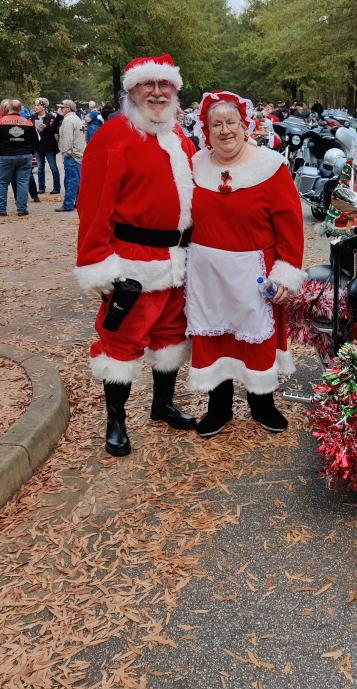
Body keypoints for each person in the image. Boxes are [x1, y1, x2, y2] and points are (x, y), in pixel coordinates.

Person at [75, 54, 197, 456]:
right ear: (131, 90)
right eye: (149, 84)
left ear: (176, 92)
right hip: (133, 263)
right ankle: (116, 421)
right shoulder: (114, 137)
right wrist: (100, 265)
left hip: (177, 261)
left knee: (170, 337)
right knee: (122, 343)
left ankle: (161, 406)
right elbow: (93, 206)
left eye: (166, 85)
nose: (158, 92)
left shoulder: (181, 138)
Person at [186, 90, 305, 437]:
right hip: (207, 273)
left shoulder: (270, 167)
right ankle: (218, 407)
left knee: (256, 340)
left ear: (245, 125)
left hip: (254, 268)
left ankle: (262, 404)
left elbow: (291, 226)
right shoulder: (195, 166)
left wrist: (286, 270)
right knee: (215, 337)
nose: (225, 130)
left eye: (231, 122)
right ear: (205, 130)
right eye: (216, 124)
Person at [0, 99, 37, 217]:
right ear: (21, 109)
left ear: (8, 108)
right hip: (24, 156)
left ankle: (1, 209)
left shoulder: (1, 122)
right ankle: (22, 209)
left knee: (2, 183)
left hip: (5, 156)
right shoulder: (28, 123)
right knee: (23, 182)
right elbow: (35, 141)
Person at [55, 99, 85, 212]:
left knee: (71, 181)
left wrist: (65, 152)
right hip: (79, 153)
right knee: (77, 181)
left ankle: (68, 204)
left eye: (62, 107)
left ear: (68, 108)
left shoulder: (68, 120)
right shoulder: (77, 118)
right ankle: (78, 202)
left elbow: (67, 139)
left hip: (72, 155)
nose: (60, 109)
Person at [32, 98, 61, 194]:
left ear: (43, 107)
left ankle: (56, 188)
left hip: (49, 146)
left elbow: (55, 130)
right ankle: (41, 188)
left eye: (38, 105)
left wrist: (47, 127)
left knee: (53, 166)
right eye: (35, 105)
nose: (36, 107)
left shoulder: (51, 117)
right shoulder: (33, 117)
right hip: (38, 146)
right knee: (40, 167)